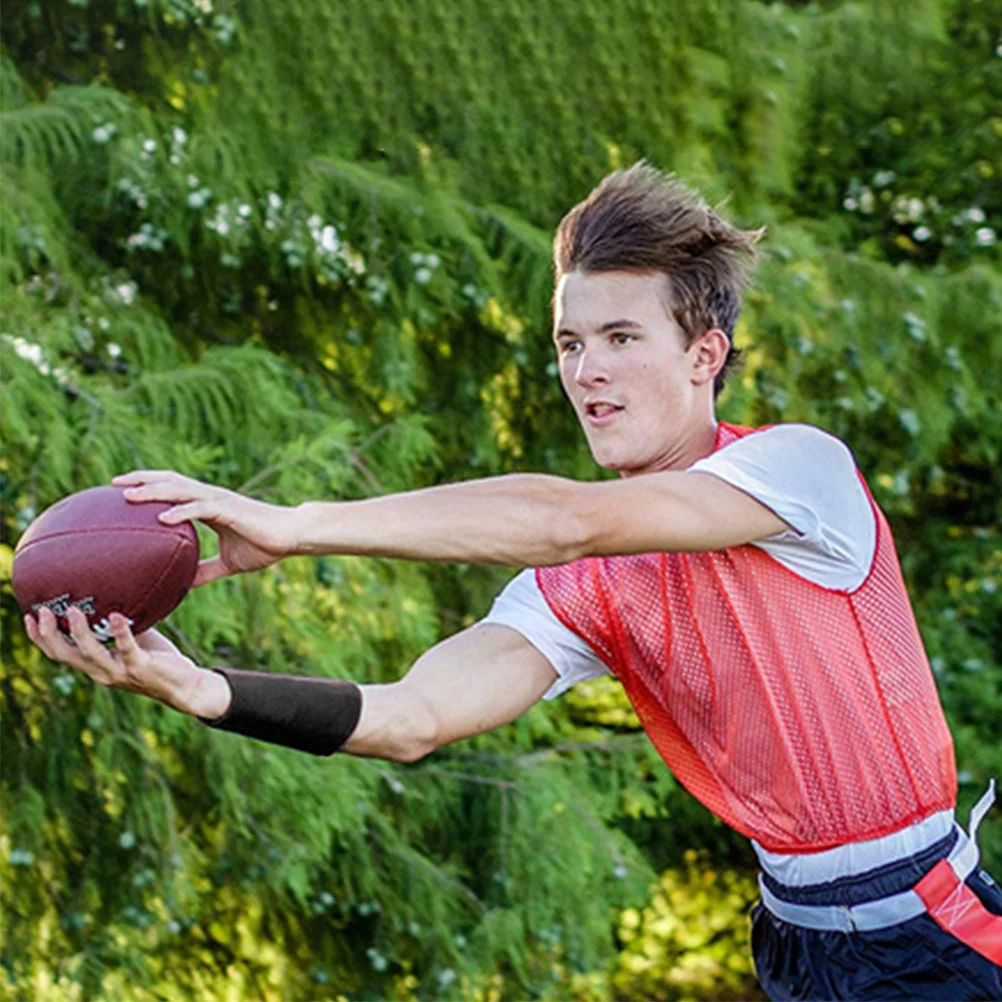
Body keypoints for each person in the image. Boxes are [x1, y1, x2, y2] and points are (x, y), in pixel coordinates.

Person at [24, 163, 1001, 1000]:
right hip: (796, 946)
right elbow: (412, 717)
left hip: (932, 937)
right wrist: (200, 689)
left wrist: (299, 527)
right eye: (571, 344)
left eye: (622, 338)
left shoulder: (799, 473)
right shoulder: (587, 592)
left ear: (705, 356)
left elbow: (562, 522)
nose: (587, 372)